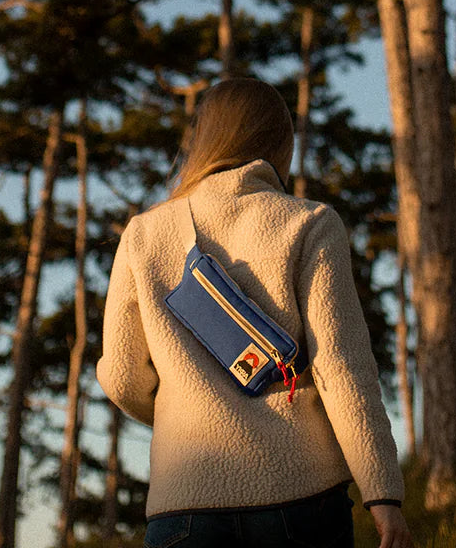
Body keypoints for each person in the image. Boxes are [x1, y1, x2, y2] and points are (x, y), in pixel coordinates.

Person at [97, 76, 414, 548]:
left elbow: (123, 377)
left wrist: (187, 409)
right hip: (303, 499)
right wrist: (382, 494)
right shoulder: (310, 223)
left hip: (186, 503)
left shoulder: (144, 234)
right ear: (278, 144)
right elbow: (342, 369)